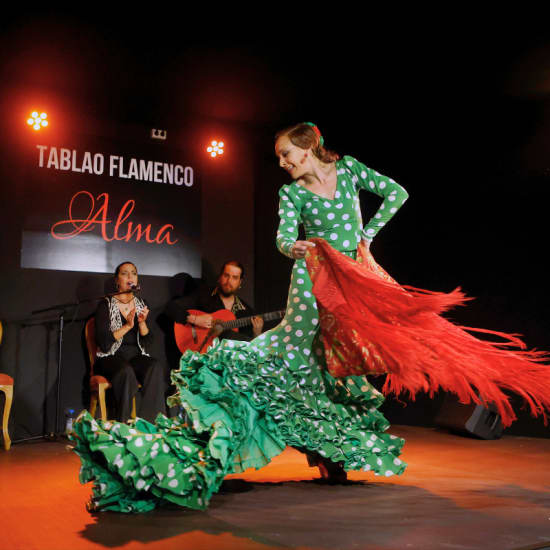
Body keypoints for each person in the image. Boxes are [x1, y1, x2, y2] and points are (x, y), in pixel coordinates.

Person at [72, 123, 550, 513]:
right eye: (279, 158)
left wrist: (367, 234)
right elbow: (283, 239)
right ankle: (223, 431)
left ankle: (327, 451)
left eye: (286, 154)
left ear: (309, 146)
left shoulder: (350, 171)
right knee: (296, 349)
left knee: (333, 360)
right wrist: (295, 246)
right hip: (312, 275)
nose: (282, 163)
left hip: (350, 276)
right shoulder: (291, 194)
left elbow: (397, 193)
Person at [93, 261, 167, 423]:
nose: (130, 276)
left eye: (133, 273)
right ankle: (123, 426)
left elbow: (148, 343)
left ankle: (150, 423)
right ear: (116, 280)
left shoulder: (142, 304)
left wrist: (141, 322)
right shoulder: (106, 305)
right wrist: (127, 326)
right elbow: (104, 343)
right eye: (124, 273)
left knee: (154, 366)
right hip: (110, 357)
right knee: (126, 371)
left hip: (134, 356)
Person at [165, 260, 264, 342]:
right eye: (226, 275)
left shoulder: (246, 311)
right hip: (203, 355)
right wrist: (195, 319)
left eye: (234, 278)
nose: (229, 281)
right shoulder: (203, 295)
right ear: (220, 277)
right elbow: (171, 307)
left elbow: (249, 347)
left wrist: (257, 333)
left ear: (240, 282)